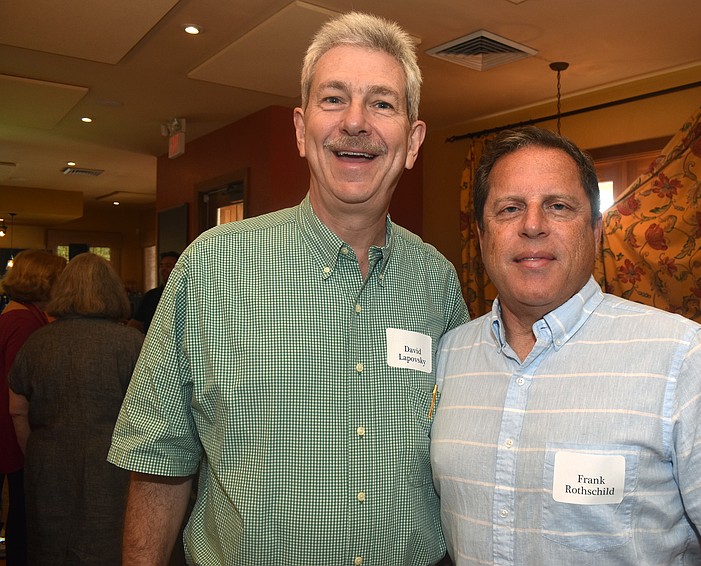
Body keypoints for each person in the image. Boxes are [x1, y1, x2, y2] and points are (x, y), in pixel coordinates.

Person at [108, 11, 469, 566]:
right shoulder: (214, 267)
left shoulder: (438, 282)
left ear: (413, 139)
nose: (356, 122)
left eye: (382, 102)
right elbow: (159, 459)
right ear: (301, 131)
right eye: (333, 99)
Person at [430, 126, 701, 566]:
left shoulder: (681, 358)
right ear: (481, 233)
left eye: (558, 206)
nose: (532, 225)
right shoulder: (449, 356)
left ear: (595, 228)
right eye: (510, 209)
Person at [7, 253, 142, 565]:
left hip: (46, 462)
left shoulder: (37, 340)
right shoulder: (131, 342)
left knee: (49, 545)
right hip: (111, 463)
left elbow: (17, 409)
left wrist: (36, 450)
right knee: (106, 543)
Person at [0, 249, 67, 565]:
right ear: (45, 282)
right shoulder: (26, 322)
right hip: (10, 433)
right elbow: (19, 397)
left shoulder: (13, 314)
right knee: (22, 519)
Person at [127, 251, 179, 333]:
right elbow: (136, 323)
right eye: (161, 266)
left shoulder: (187, 295)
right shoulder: (150, 296)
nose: (163, 269)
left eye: (168, 266)